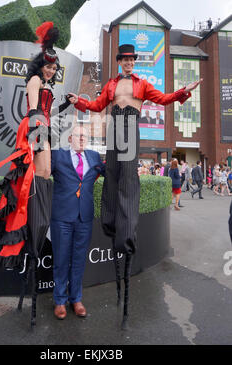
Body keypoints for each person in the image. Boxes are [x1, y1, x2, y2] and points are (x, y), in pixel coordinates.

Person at [68, 43, 202, 328]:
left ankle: (125, 236)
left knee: (128, 179)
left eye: (131, 59)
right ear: (119, 62)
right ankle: (111, 223)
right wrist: (78, 101)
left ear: (134, 62)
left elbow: (165, 99)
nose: (128, 63)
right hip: (114, 129)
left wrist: (184, 91)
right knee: (112, 176)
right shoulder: (112, 84)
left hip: (130, 129)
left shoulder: (142, 84)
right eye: (124, 59)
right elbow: (95, 106)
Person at [0, 22, 72, 328]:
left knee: (44, 175)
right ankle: (35, 218)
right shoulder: (34, 80)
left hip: (41, 125)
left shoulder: (47, 85)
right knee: (41, 172)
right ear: (40, 64)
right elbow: (33, 111)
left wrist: (64, 107)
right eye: (48, 65)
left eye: (54, 67)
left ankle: (38, 216)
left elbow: (45, 112)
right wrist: (37, 135)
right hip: (34, 127)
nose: (51, 70)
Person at [50, 124, 105, 320]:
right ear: (69, 139)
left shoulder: (94, 157)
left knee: (79, 260)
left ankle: (76, 299)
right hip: (62, 217)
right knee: (61, 259)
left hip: (84, 217)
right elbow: (40, 171)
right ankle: (59, 301)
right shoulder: (57, 156)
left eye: (85, 136)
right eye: (78, 135)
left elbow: (111, 173)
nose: (82, 139)